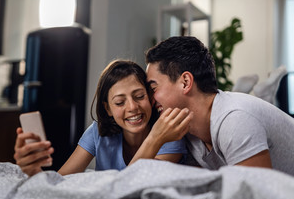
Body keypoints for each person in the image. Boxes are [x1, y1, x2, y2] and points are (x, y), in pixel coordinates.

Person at [145, 36, 294, 176]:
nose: (150, 100)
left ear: (185, 82)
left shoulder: (235, 120)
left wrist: (154, 138)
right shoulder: (189, 133)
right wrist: (154, 139)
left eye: (153, 88)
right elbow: (140, 178)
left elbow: (257, 196)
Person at [14, 60, 192, 176]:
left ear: (150, 97)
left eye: (139, 96)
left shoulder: (168, 135)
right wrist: (32, 170)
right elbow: (62, 180)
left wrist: (155, 138)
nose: (132, 107)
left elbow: (131, 185)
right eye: (120, 102)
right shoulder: (97, 132)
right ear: (107, 109)